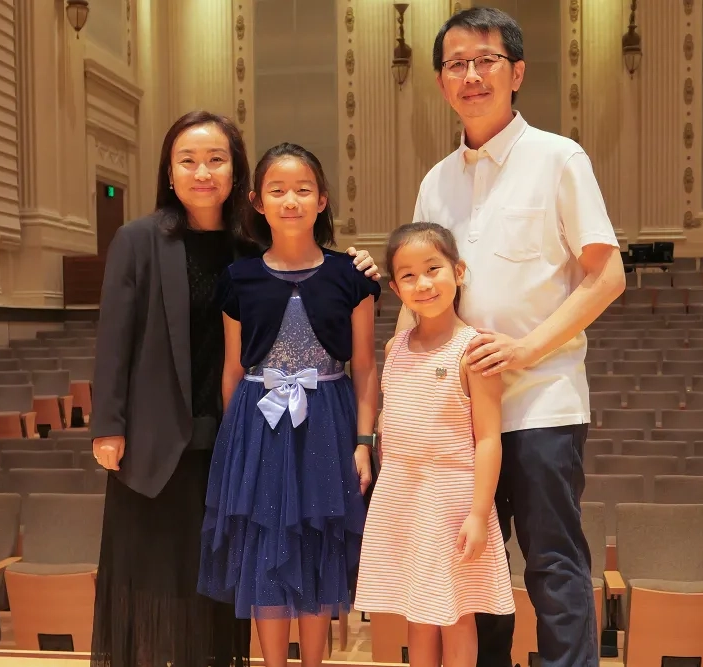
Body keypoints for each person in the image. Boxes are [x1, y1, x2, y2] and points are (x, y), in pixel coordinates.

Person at [90, 112, 380, 667]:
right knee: (154, 574)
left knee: (226, 571)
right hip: (158, 434)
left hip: (233, 433)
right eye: (188, 160)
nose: (203, 172)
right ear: (168, 173)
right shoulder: (138, 240)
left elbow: (310, 275)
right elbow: (113, 338)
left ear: (236, 175)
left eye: (216, 159)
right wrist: (108, 424)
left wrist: (360, 259)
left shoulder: (249, 247)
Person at [401, 8, 627, 667]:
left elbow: (606, 274)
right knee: (475, 571)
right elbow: (422, 292)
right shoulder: (434, 181)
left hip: (541, 405)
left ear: (517, 72)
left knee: (553, 563)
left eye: (486, 60)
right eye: (455, 64)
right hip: (461, 416)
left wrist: (527, 349)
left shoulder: (558, 158)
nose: (471, 75)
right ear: (442, 82)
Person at [197, 142, 378, 667]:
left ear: (322, 200)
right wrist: (237, 447)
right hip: (258, 423)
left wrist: (364, 441)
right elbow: (234, 369)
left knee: (318, 542)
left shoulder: (352, 275)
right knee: (266, 545)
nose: (291, 201)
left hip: (329, 420)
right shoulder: (240, 278)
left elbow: (365, 366)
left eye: (303, 190)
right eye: (277, 191)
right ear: (257, 201)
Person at [355, 223, 514, 667]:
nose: (422, 283)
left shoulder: (474, 350)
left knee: (456, 614)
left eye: (432, 269)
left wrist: (480, 513)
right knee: (417, 612)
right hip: (404, 496)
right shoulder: (397, 346)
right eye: (408, 276)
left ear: (458, 271)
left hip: (452, 501)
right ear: (395, 287)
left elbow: (487, 439)